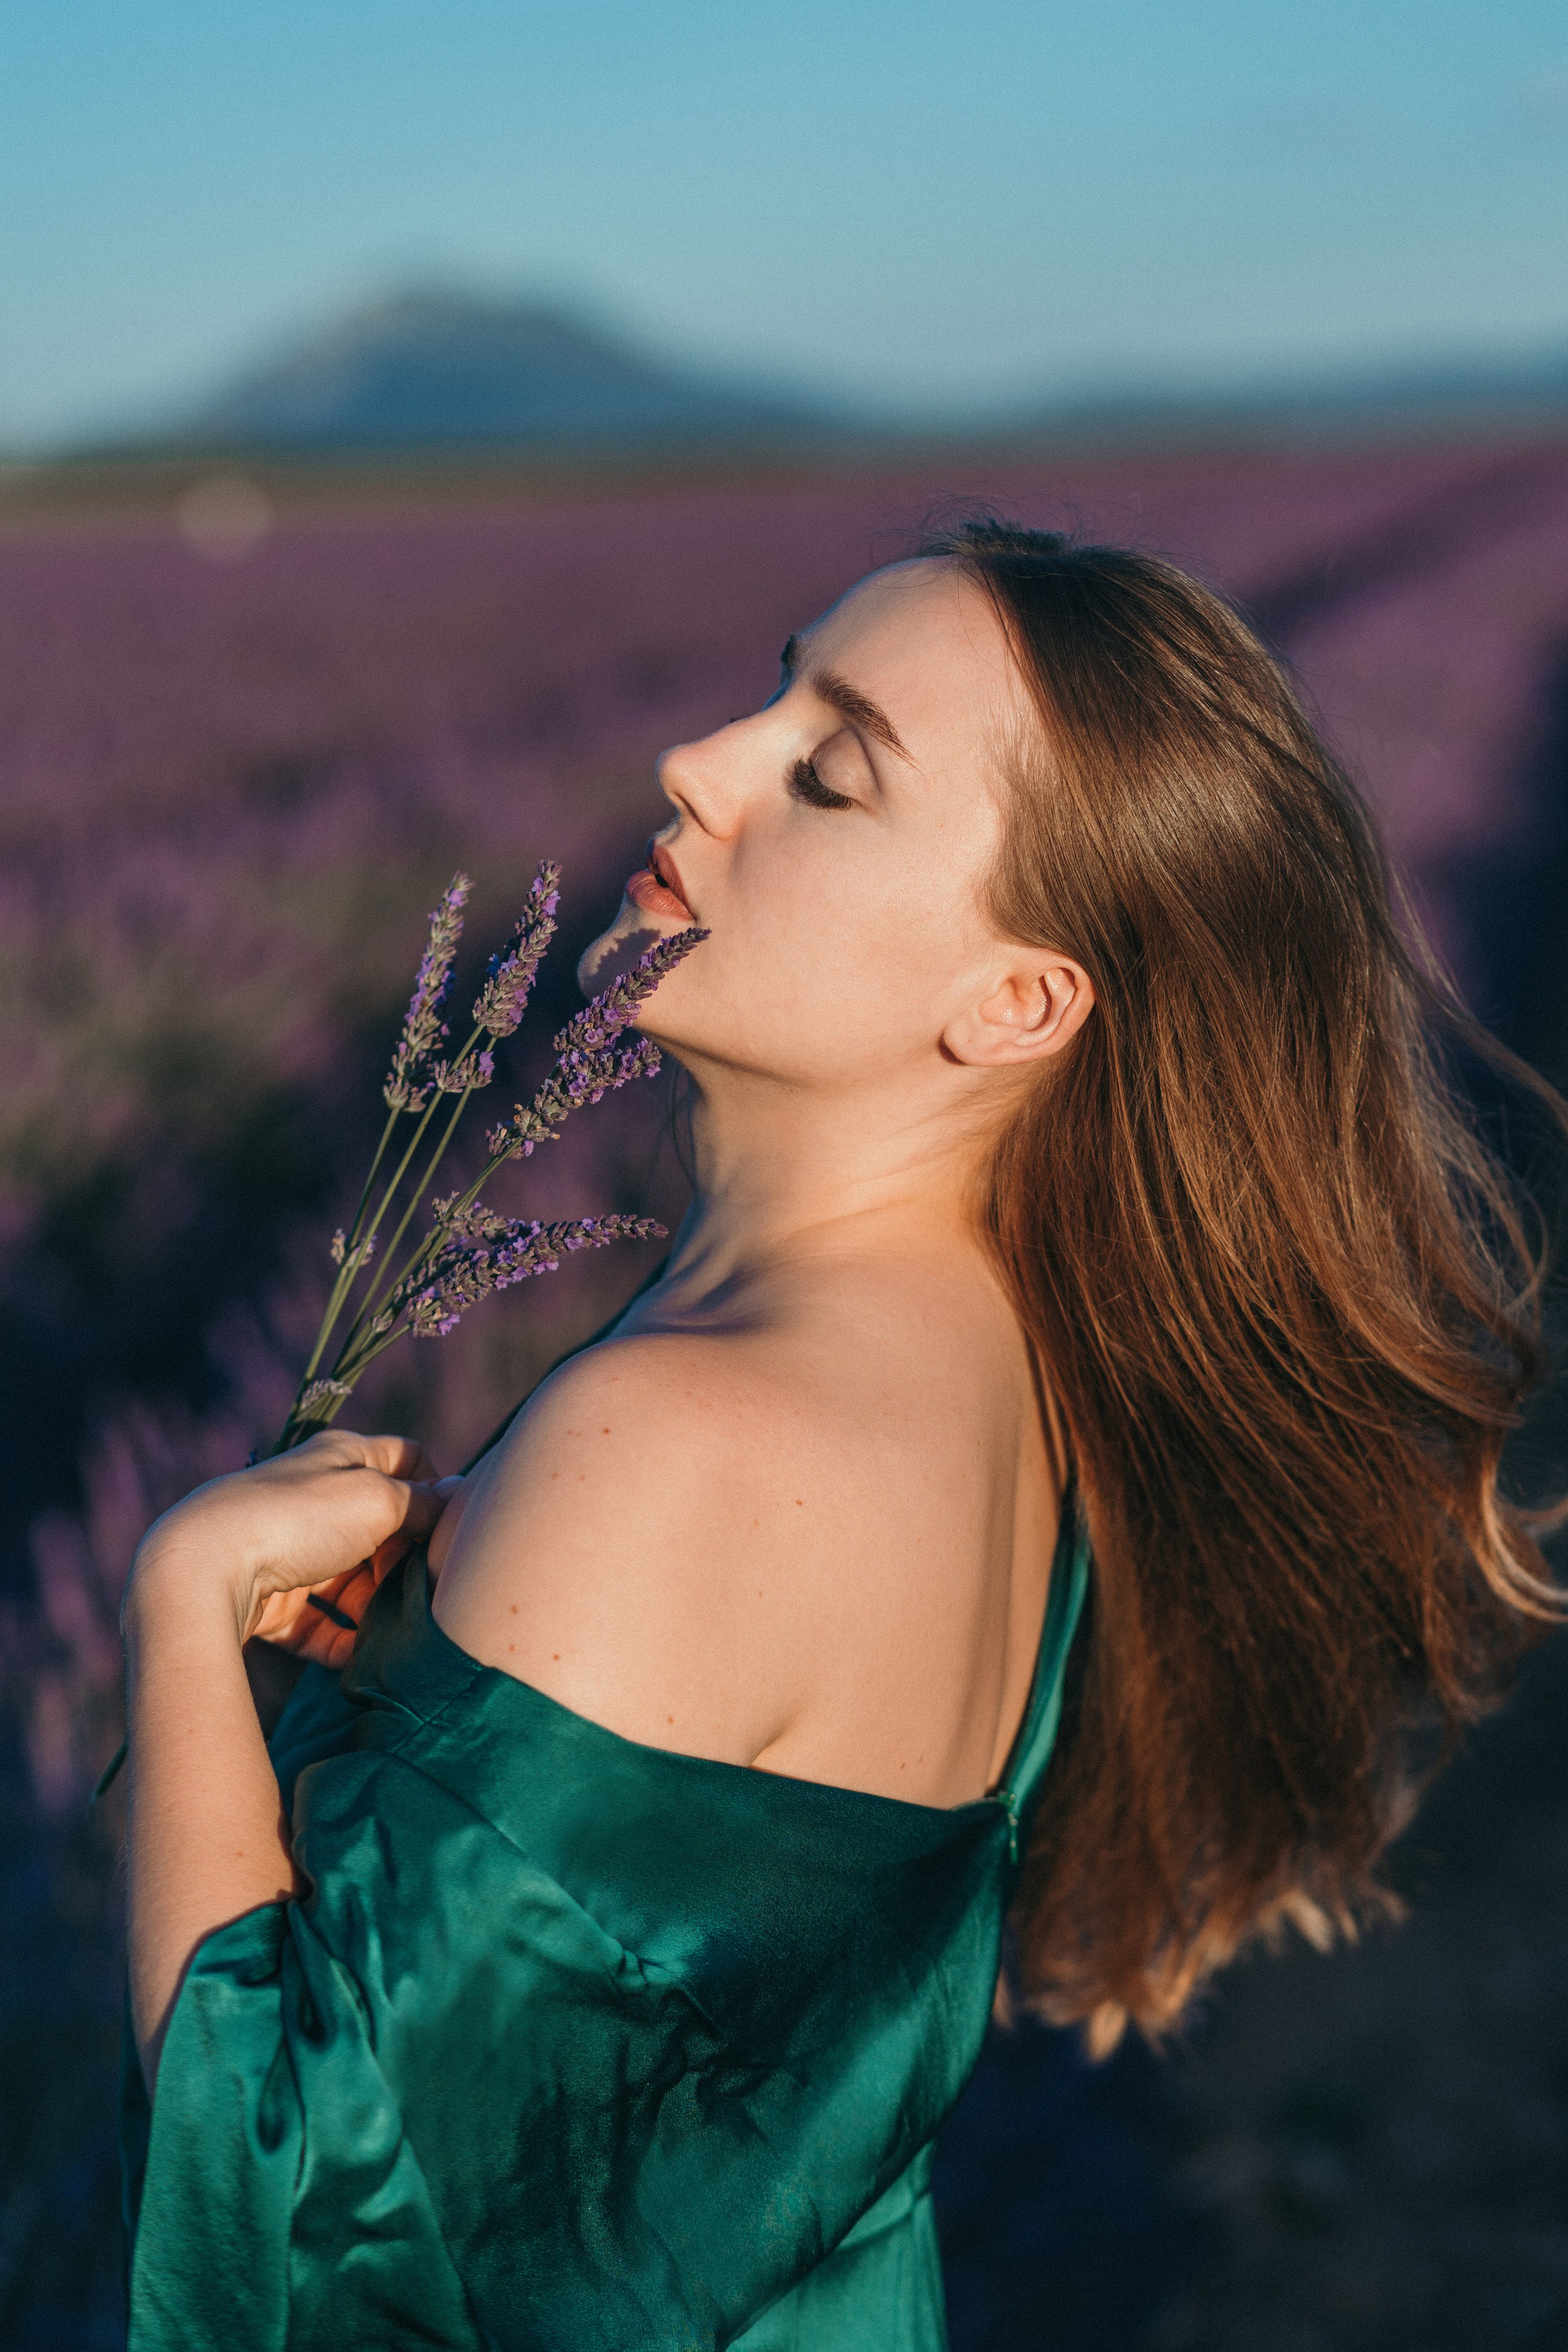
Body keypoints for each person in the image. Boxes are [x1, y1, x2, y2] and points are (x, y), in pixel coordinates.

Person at [119, 522, 1563, 2349]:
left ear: (1018, 1001)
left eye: (831, 771)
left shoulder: (691, 1434)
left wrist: (178, 1612)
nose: (698, 764)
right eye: (771, 690)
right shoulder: (1014, 1377)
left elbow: (295, 2211)